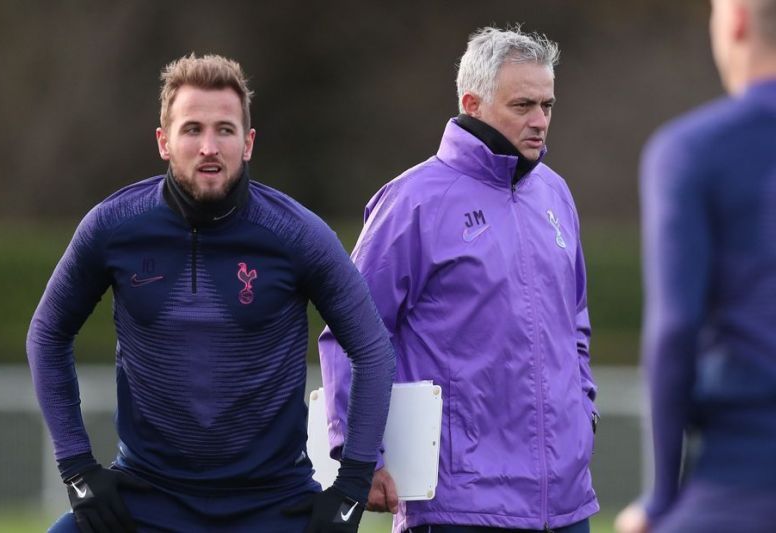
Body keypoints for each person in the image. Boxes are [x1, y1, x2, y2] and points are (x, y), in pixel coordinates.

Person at [27, 53, 396, 533]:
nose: (208, 146)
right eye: (191, 129)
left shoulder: (297, 233)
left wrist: (350, 488)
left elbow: (372, 350)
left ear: (248, 144)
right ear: (164, 141)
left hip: (274, 506)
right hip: (145, 501)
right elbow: (47, 334)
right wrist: (77, 469)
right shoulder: (113, 226)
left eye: (224, 130)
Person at [319, 26, 599, 533]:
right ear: (473, 102)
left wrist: (583, 414)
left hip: (566, 502)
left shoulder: (556, 195)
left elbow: (574, 320)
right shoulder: (411, 202)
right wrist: (359, 452)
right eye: (523, 106)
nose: (540, 121)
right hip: (459, 505)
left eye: (548, 105)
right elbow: (352, 330)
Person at [614, 1, 776, 532]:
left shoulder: (692, 151)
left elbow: (675, 329)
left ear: (735, 20)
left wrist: (662, 497)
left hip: (745, 473)